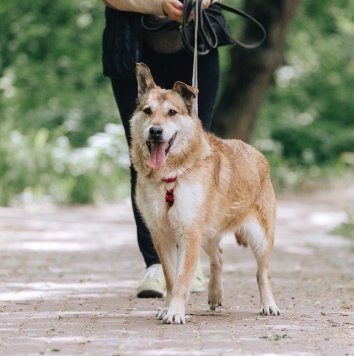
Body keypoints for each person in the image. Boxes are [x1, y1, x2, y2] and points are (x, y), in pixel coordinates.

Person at [102, 0, 220, 298]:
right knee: (144, 157)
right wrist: (159, 5)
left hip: (197, 42)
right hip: (131, 43)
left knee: (196, 157)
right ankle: (155, 263)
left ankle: (190, 255)